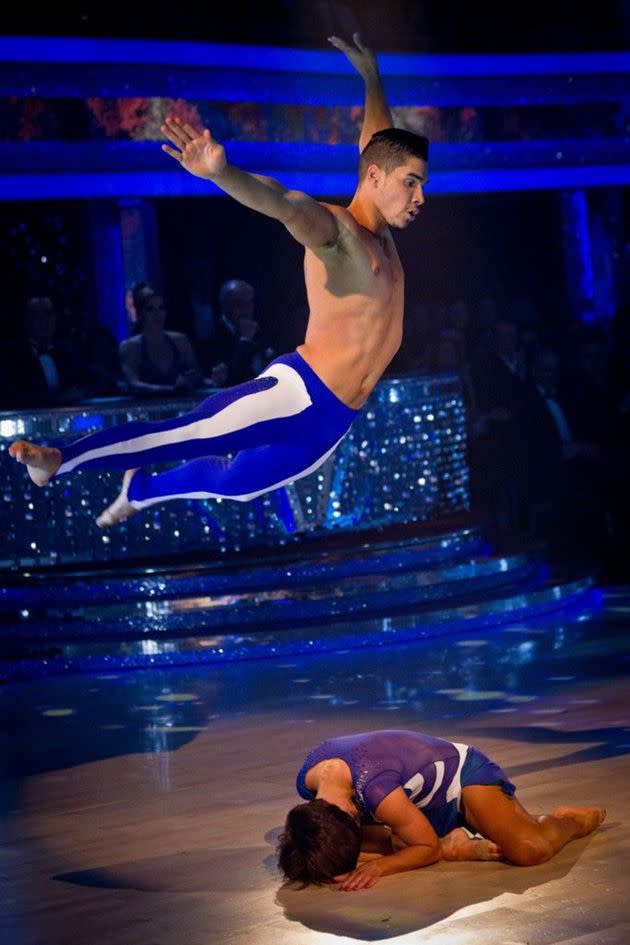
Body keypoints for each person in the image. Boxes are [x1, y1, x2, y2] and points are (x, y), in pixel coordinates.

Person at [9, 34, 428, 528]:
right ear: (376, 179)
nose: (420, 196)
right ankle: (60, 459)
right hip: (298, 394)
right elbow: (283, 203)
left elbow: (376, 141)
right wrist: (224, 174)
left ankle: (141, 490)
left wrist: (371, 78)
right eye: (411, 182)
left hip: (333, 422)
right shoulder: (339, 234)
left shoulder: (384, 231)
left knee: (238, 485)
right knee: (188, 433)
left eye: (422, 183)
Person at [278, 729, 606, 890]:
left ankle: (569, 821)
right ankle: (454, 844)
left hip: (462, 782)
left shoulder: (377, 789)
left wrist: (382, 867)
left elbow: (426, 848)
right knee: (327, 847)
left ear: (353, 813)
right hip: (416, 802)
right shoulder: (308, 781)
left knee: (531, 851)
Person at [119, 283, 202, 396]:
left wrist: (187, 380)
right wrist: (171, 389)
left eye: (161, 308)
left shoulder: (180, 341)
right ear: (140, 314)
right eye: (150, 309)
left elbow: (196, 373)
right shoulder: (130, 347)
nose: (157, 314)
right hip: (146, 410)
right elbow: (133, 384)